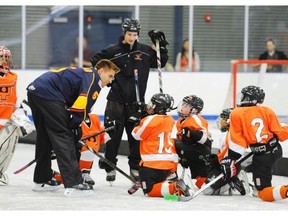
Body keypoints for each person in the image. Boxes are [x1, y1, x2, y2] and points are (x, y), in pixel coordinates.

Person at [90, 18, 169, 182]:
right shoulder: (113, 51)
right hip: (116, 102)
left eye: (135, 34)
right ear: (124, 33)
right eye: (129, 34)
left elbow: (161, 61)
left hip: (136, 103)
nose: (132, 38)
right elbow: (95, 61)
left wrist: (160, 46)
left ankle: (135, 167)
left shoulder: (145, 51)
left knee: (135, 138)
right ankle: (109, 166)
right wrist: (107, 78)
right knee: (113, 136)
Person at [26, 59, 120, 196]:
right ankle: (73, 183)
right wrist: (74, 125)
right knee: (64, 136)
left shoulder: (87, 74)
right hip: (49, 94)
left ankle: (42, 178)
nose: (111, 81)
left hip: (35, 90)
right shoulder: (94, 80)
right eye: (110, 76)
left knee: (44, 135)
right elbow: (82, 103)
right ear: (101, 71)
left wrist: (74, 123)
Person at [220, 85, 288, 202]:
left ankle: (284, 191)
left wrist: (231, 158)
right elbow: (280, 133)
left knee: (262, 192)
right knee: (257, 190)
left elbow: (238, 142)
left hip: (263, 156)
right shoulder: (267, 110)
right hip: (275, 149)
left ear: (248, 98)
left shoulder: (237, 113)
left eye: (243, 96)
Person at [131, 93, 190, 197]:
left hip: (151, 165)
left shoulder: (149, 119)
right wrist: (173, 168)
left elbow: (137, 135)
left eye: (152, 104)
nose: (149, 106)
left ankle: (174, 187)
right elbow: (174, 143)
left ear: (157, 106)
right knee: (158, 185)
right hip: (168, 165)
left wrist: (136, 124)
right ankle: (171, 184)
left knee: (149, 191)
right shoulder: (170, 120)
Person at [0, 46, 34, 185]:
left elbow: (13, 99)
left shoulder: (13, 76)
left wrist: (21, 116)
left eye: (8, 58)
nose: (6, 61)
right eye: (3, 57)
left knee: (8, 145)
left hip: (6, 118)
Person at [202, 108, 250, 196]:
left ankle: (234, 179)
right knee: (205, 186)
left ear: (230, 121)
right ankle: (232, 180)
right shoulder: (225, 135)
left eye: (223, 119)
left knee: (207, 190)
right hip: (223, 165)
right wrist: (215, 160)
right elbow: (223, 153)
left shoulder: (235, 136)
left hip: (231, 166)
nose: (221, 121)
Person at [175, 95, 212, 190]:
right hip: (192, 149)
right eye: (183, 104)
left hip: (201, 150)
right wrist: (184, 157)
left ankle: (206, 179)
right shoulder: (180, 121)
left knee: (174, 144)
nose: (183, 107)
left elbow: (204, 139)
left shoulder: (196, 119)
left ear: (194, 110)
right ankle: (201, 179)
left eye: (186, 106)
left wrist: (190, 133)